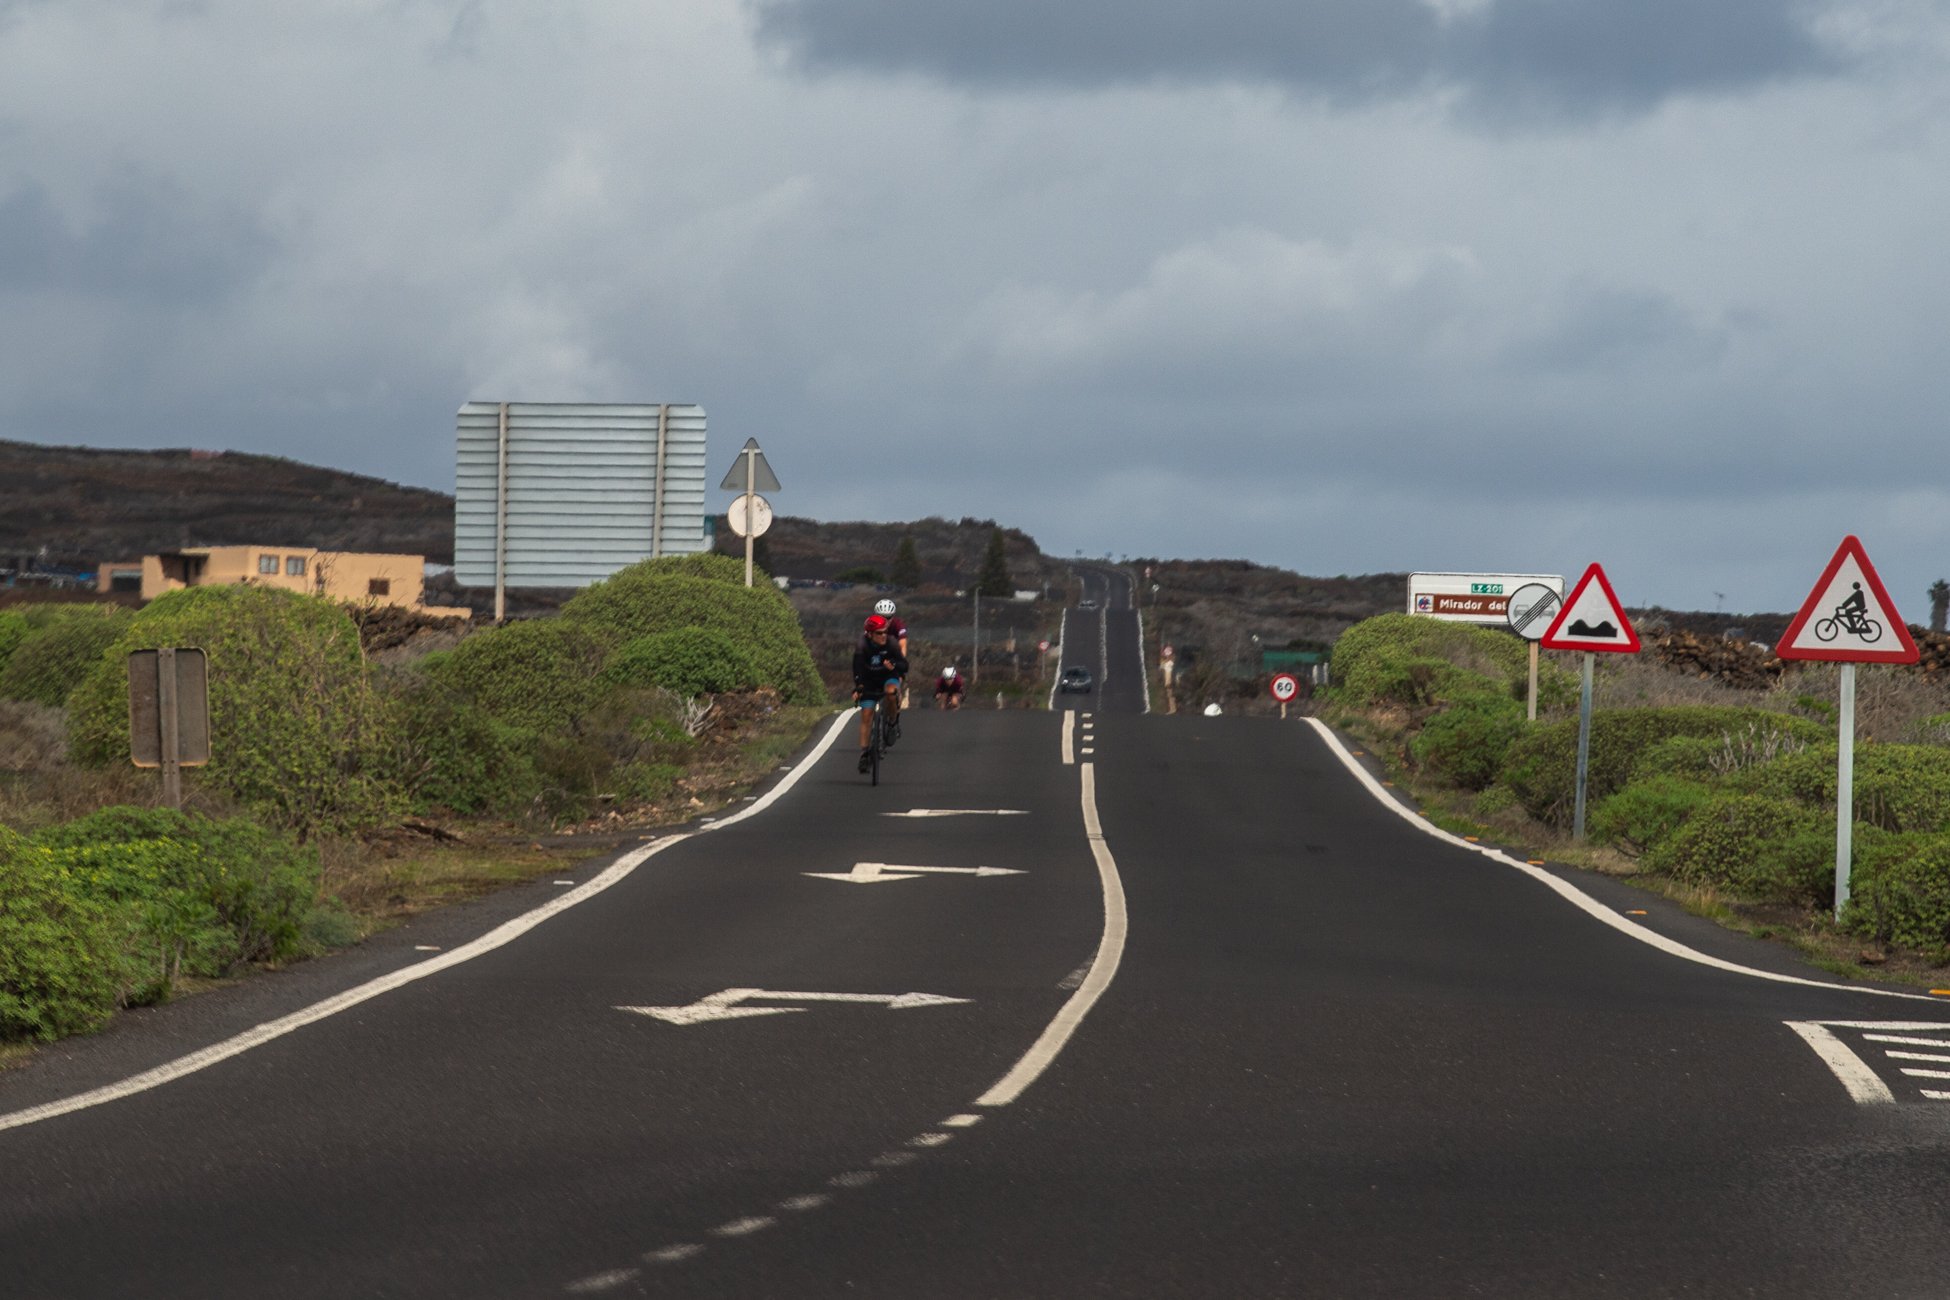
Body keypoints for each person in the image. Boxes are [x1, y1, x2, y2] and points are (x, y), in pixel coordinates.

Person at [852, 614, 908, 771]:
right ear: (869, 634)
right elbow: (857, 669)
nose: (883, 635)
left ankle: (891, 723)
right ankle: (864, 754)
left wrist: (895, 665)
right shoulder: (862, 645)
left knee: (891, 693)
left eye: (885, 632)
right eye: (879, 633)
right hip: (870, 680)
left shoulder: (891, 643)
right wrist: (858, 687)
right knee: (866, 714)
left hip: (888, 677)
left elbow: (905, 666)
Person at [875, 598, 911, 708]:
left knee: (896, 678)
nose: (885, 621)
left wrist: (899, 662)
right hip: (878, 653)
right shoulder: (871, 624)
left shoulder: (898, 625)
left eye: (888, 618)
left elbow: (903, 645)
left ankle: (898, 696)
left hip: (893, 655)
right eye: (882, 617)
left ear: (893, 616)